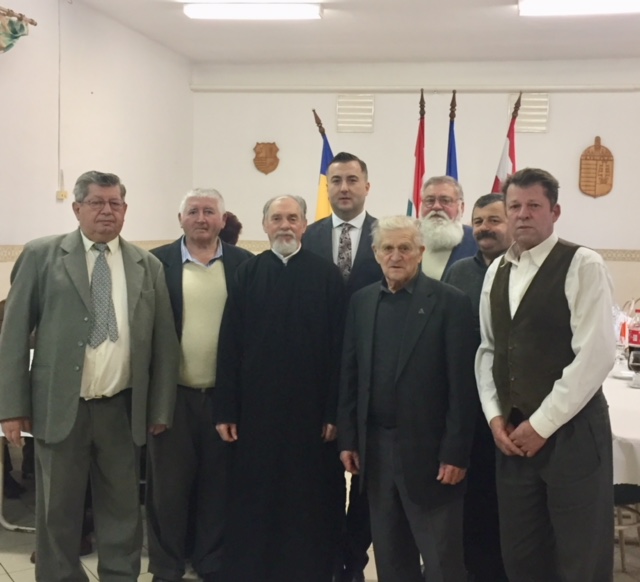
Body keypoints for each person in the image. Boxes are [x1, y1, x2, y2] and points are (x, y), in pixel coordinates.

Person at [0, 171, 178, 582]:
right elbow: (12, 336)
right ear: (77, 208)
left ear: (125, 210)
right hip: (60, 408)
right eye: (97, 202)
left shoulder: (146, 265)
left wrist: (160, 408)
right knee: (57, 513)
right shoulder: (42, 255)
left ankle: (119, 576)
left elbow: (164, 343)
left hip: (121, 408)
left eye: (115, 203)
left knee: (122, 512)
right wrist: (11, 407)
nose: (106, 211)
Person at [475, 168, 616, 582]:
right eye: (514, 206)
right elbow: (488, 350)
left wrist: (542, 424)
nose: (522, 214)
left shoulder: (582, 264)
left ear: (554, 212)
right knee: (521, 556)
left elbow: (596, 355)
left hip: (573, 435)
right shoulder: (497, 271)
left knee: (579, 558)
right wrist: (494, 416)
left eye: (533, 205)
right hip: (513, 437)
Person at [338, 215, 478, 582]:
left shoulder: (450, 303)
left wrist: (455, 452)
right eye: (388, 248)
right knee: (391, 559)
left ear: (420, 252)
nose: (396, 256)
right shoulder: (362, 302)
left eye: (405, 248)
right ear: (375, 252)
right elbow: (350, 377)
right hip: (376, 452)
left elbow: (463, 387)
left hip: (432, 455)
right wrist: (349, 439)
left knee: (442, 562)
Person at [214, 195, 345, 582]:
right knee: (257, 496)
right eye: (277, 218)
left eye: (292, 218)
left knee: (308, 498)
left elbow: (340, 349)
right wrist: (226, 409)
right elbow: (230, 344)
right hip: (257, 414)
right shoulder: (248, 273)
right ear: (265, 225)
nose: (285, 225)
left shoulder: (327, 276)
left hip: (312, 416)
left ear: (304, 225)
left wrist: (334, 411)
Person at [146, 189, 253, 582]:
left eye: (210, 211)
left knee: (218, 487)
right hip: (172, 397)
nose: (202, 218)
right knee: (167, 491)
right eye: (193, 211)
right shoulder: (155, 263)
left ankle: (211, 561)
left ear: (223, 220)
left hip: (223, 399)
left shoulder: (244, 264)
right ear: (181, 219)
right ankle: (166, 566)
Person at [302, 151, 382, 582]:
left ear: (367, 186)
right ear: (327, 187)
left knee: (368, 480)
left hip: (374, 375)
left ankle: (354, 560)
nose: (344, 187)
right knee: (321, 477)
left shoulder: (387, 236)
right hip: (317, 377)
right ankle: (325, 558)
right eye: (336, 180)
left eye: (352, 179)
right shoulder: (308, 235)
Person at [443, 193, 511, 582]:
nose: (485, 228)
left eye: (494, 220)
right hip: (467, 406)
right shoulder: (457, 273)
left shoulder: (525, 271)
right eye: (479, 221)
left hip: (514, 408)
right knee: (470, 499)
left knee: (508, 502)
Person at [419, 176, 477, 280]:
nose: (436, 206)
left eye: (445, 201)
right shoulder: (410, 241)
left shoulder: (476, 241)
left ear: (461, 207)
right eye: (430, 201)